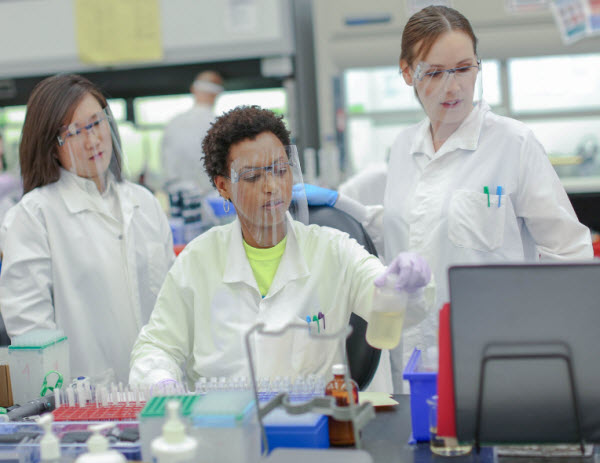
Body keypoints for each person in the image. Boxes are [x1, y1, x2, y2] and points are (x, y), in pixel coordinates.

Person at [302, 5, 593, 392]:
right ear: (407, 73)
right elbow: (407, 232)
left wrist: (547, 342)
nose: (452, 87)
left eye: (463, 68)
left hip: (498, 357)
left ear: (477, 66)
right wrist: (341, 204)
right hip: (415, 358)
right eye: (434, 73)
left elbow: (570, 253)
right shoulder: (404, 146)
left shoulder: (513, 143)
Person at [129, 106, 433, 390]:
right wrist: (160, 382)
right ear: (223, 186)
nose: (271, 186)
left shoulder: (333, 249)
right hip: (226, 428)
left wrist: (404, 287)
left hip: (315, 427)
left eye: (279, 170)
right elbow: (157, 346)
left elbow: (391, 306)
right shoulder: (198, 260)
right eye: (253, 176)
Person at [0, 74, 175, 384]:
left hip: (157, 391)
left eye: (96, 123)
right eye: (74, 132)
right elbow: (31, 332)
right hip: (83, 407)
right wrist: (62, 401)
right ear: (51, 146)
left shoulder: (143, 203)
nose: (93, 140)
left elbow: (172, 302)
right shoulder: (33, 217)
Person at [161, 70, 224, 194]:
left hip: (178, 197)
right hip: (211, 196)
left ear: (193, 89)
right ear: (216, 94)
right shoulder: (219, 125)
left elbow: (166, 165)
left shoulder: (173, 124)